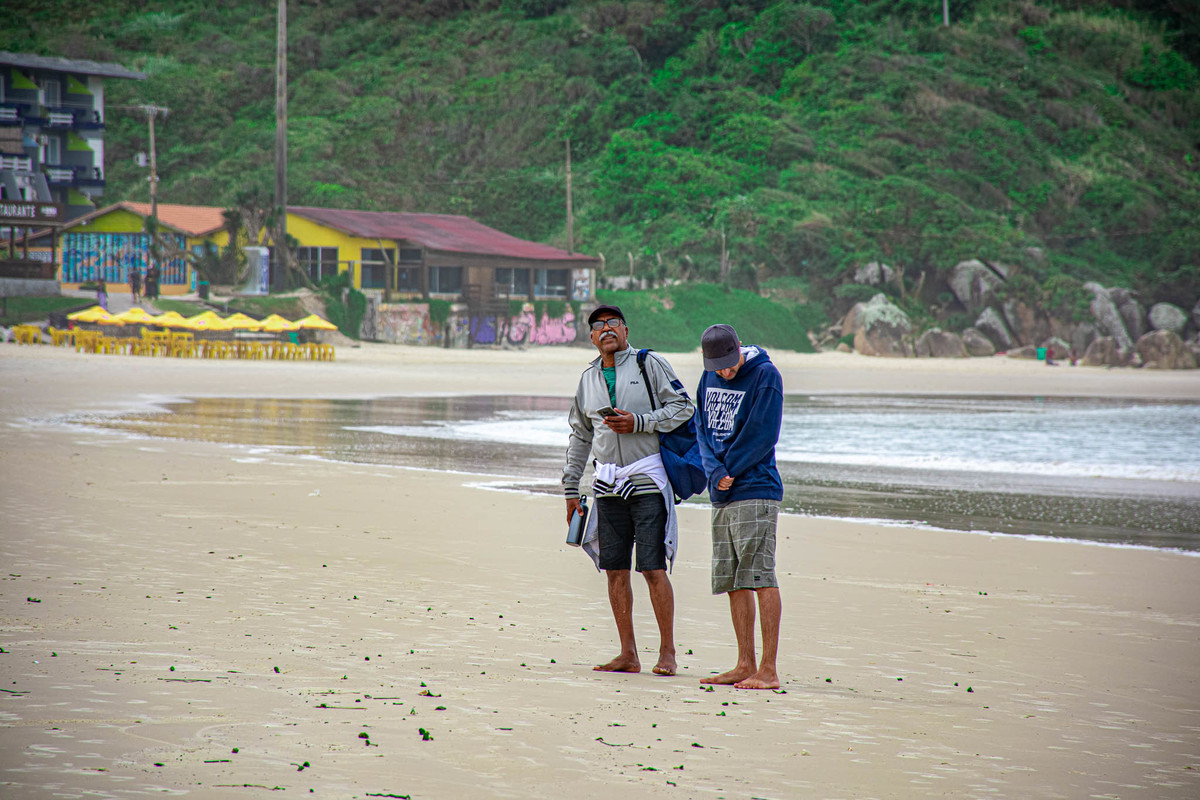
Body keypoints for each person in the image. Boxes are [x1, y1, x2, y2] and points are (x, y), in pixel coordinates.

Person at [563, 304, 694, 676]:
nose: (606, 329)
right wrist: (571, 488)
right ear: (591, 337)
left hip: (648, 481)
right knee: (615, 570)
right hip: (606, 486)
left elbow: (683, 407)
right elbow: (580, 436)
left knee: (652, 569)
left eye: (613, 323)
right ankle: (628, 654)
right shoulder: (587, 378)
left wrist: (640, 422)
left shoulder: (648, 364)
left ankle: (667, 653)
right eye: (598, 325)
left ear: (625, 329)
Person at [694, 323, 785, 690]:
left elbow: (763, 433)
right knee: (733, 580)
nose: (725, 372)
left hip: (756, 488)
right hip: (722, 490)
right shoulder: (707, 377)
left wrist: (730, 467)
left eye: (730, 365)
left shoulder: (765, 375)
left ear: (738, 351)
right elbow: (699, 426)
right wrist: (714, 470)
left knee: (759, 575)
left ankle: (769, 668)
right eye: (718, 368)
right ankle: (744, 663)